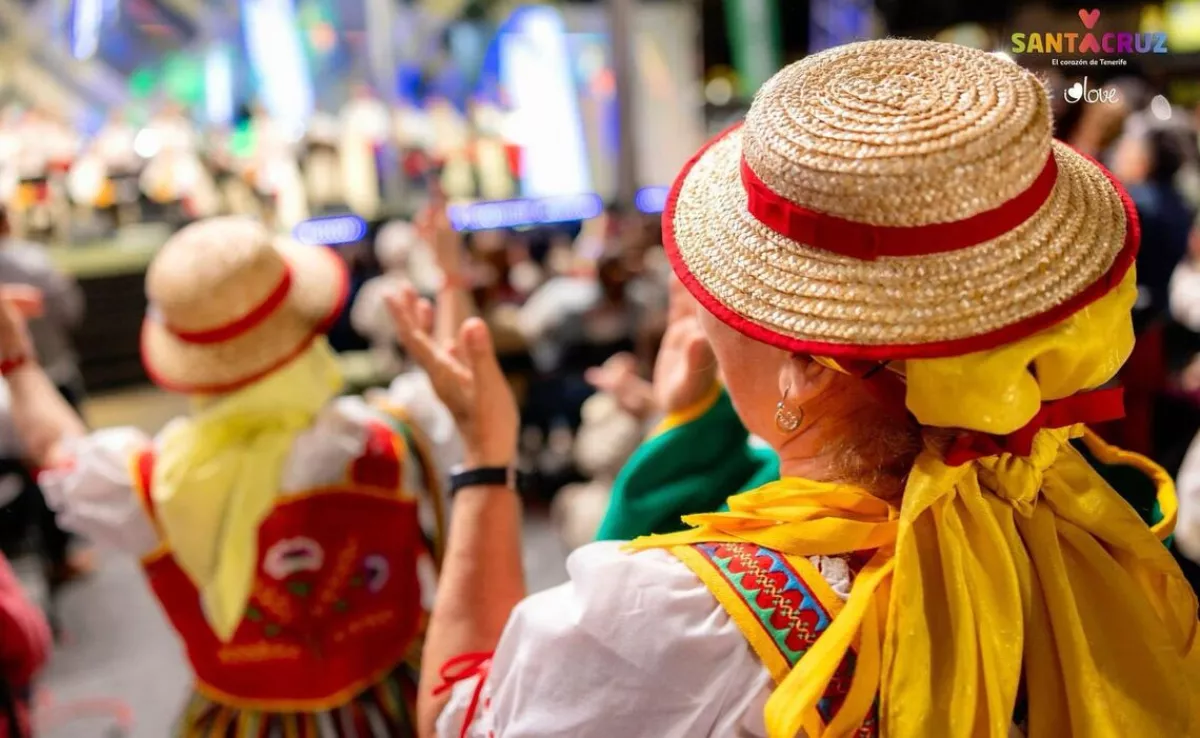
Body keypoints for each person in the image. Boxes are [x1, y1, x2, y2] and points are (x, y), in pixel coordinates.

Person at [386, 41, 1199, 738]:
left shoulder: (668, 627)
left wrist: (484, 462)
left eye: (724, 299)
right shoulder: (1097, 541)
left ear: (807, 367)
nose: (702, 318)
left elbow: (462, 707)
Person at [0, 216, 467, 736]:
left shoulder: (152, 483)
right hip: (396, 703)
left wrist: (17, 360)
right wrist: (451, 280)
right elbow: (457, 384)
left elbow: (55, 449)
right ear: (306, 326)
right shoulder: (389, 440)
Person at [0, 219, 89, 587]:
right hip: (47, 371)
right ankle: (60, 557)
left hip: (20, 382)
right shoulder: (34, 260)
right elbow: (69, 311)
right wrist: (19, 361)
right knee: (62, 463)